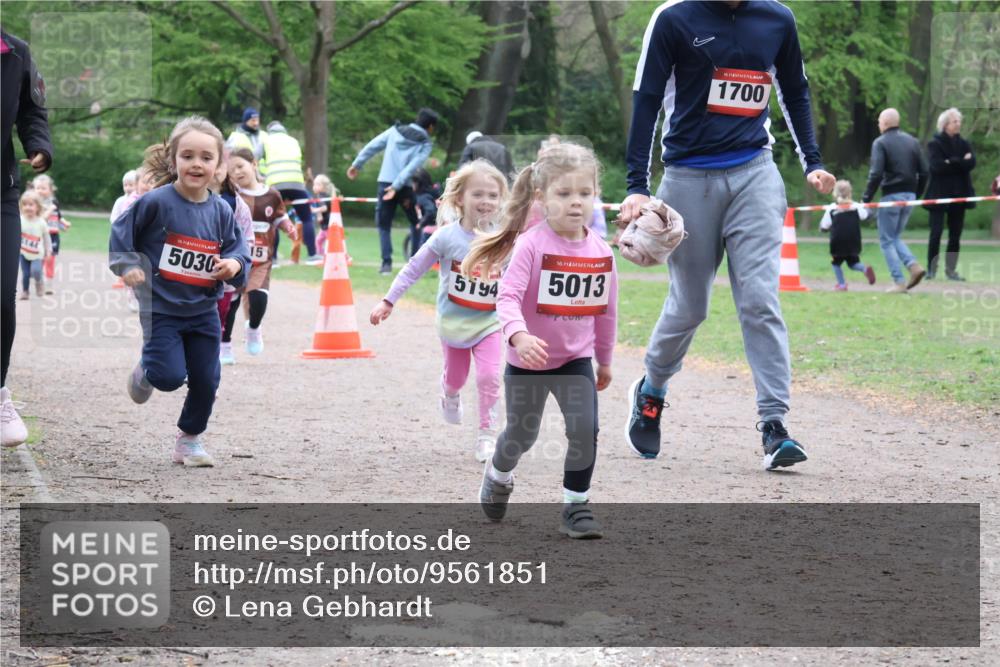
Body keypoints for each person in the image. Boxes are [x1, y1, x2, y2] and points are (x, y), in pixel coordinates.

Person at [620, 0, 835, 470]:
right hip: (686, 177)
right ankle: (652, 389)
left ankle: (775, 426)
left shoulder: (777, 19)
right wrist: (637, 184)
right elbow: (647, 98)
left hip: (755, 172)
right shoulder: (673, 18)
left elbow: (794, 90)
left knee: (760, 299)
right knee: (690, 305)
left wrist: (813, 161)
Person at [464, 143, 617, 539]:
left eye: (584, 193)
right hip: (527, 360)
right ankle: (498, 473)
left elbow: (606, 312)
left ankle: (576, 506)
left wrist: (604, 359)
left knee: (585, 429)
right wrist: (519, 337)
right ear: (541, 198)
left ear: (596, 195)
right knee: (522, 435)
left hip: (574, 360)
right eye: (563, 193)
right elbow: (507, 298)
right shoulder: (531, 244)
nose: (575, 202)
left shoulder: (602, 251)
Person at [110, 116, 250, 467]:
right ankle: (148, 369)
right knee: (168, 377)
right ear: (173, 161)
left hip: (203, 309)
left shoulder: (221, 210)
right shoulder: (156, 202)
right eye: (187, 156)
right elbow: (121, 233)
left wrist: (234, 265)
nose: (196, 164)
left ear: (219, 167)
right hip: (161, 307)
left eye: (206, 157)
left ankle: (189, 439)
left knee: (207, 378)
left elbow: (238, 250)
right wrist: (128, 265)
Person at [371, 160, 508, 462]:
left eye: (493, 195)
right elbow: (413, 269)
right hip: (453, 324)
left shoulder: (504, 238)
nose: (486, 201)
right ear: (460, 198)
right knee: (456, 379)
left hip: (489, 322)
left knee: (489, 377)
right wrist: (388, 300)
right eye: (478, 194)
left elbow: (518, 278)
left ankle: (487, 436)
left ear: (501, 200)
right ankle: (450, 393)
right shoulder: (446, 237)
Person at [2, 29, 53, 448]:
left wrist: (38, 145)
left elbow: (33, 112)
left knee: (3, 296)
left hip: (1, 193)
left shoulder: (15, 53)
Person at [222, 147, 296, 362]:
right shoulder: (232, 196)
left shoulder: (271, 195)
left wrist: (288, 227)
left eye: (240, 166)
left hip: (261, 261)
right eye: (231, 170)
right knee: (230, 304)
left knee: (258, 299)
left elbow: (279, 217)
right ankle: (224, 345)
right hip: (235, 259)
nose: (237, 172)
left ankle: (253, 328)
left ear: (254, 164)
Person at [347, 108, 438, 274]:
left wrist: (356, 164)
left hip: (385, 183)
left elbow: (373, 146)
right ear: (430, 126)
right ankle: (414, 265)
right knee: (416, 223)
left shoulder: (394, 131)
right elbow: (412, 167)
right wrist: (397, 185)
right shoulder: (425, 143)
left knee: (384, 225)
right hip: (407, 186)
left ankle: (386, 265)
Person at [862, 108, 928, 293]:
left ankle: (899, 281)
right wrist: (916, 194)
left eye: (879, 121)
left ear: (884, 123)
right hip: (910, 196)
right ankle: (914, 267)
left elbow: (876, 173)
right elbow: (924, 171)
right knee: (894, 237)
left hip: (892, 196)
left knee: (886, 240)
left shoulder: (880, 142)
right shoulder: (913, 141)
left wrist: (866, 199)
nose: (878, 124)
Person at [924, 107, 976, 281]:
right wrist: (960, 162)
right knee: (936, 233)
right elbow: (937, 167)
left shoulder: (964, 144)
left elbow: (971, 163)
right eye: (955, 121)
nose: (958, 124)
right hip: (939, 194)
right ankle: (931, 269)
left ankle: (951, 270)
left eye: (959, 121)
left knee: (955, 235)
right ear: (945, 125)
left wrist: (951, 162)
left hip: (959, 194)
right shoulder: (934, 144)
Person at [210, 150, 255, 337]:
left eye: (216, 163)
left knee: (213, 329)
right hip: (182, 285)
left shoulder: (236, 204)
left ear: (225, 168)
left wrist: (236, 263)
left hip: (222, 283)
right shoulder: (173, 199)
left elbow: (248, 239)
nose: (213, 169)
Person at [262, 121, 320, 264]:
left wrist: (260, 177)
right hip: (297, 184)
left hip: (275, 184)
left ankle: (273, 258)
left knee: (273, 220)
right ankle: (312, 255)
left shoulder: (266, 141)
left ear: (269, 131)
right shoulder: (293, 141)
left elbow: (253, 157)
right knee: (306, 218)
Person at [819, 180, 876, 291]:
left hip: (838, 242)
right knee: (853, 263)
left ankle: (842, 285)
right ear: (850, 193)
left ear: (835, 193)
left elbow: (824, 226)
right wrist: (866, 207)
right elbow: (866, 216)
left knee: (836, 263)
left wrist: (823, 228)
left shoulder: (832, 208)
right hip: (853, 241)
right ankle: (864, 269)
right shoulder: (856, 206)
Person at [31, 174, 69, 291]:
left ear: (51, 190)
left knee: (50, 259)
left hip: (53, 235)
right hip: (40, 236)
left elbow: (58, 215)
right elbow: (42, 218)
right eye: (38, 188)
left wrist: (63, 223)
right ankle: (39, 280)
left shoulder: (54, 201)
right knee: (40, 259)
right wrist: (50, 209)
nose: (40, 191)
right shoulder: (34, 204)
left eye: (43, 188)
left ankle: (49, 284)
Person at [18, 190, 53, 299]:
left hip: (37, 254)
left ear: (37, 207)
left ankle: (39, 282)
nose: (27, 207)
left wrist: (48, 250)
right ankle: (25, 291)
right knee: (26, 274)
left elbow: (47, 238)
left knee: (36, 271)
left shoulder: (41, 222)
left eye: (31, 204)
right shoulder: (20, 220)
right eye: (25, 205)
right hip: (23, 253)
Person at [411, 167, 439, 252]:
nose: (412, 185)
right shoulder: (435, 192)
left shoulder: (423, 197)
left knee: (422, 255)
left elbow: (430, 211)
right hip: (440, 228)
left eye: (413, 182)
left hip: (430, 230)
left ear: (418, 183)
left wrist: (421, 223)